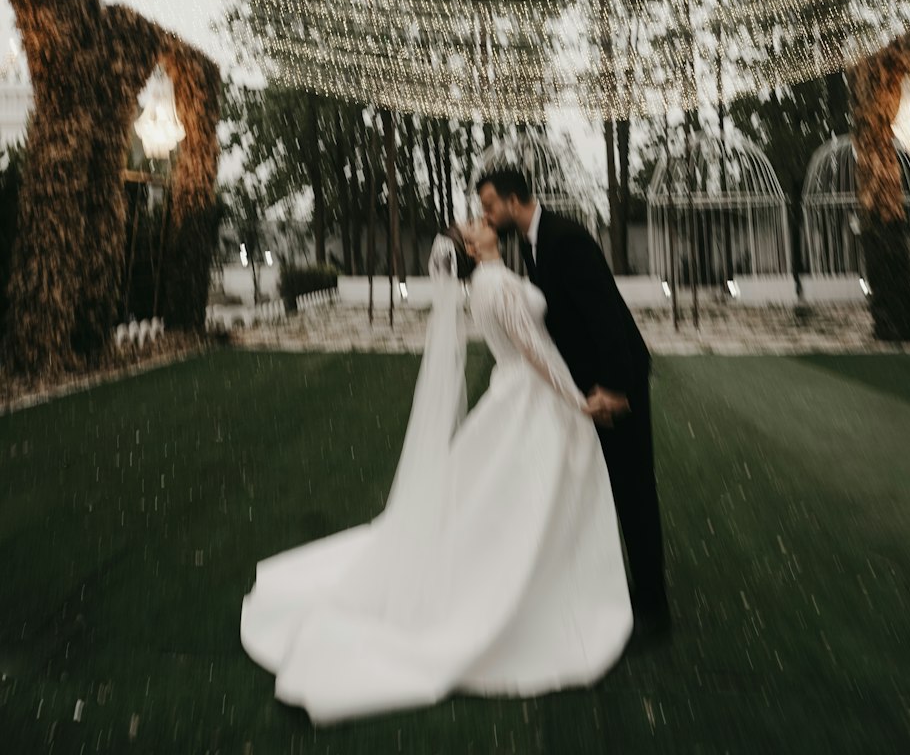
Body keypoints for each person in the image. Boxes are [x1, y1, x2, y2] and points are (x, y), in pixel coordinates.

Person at [239, 222, 633, 725]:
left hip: (518, 392)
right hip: (532, 396)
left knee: (508, 497)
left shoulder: (494, 278)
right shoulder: (493, 285)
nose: (482, 222)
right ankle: (532, 591)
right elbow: (532, 350)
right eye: (473, 225)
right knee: (525, 497)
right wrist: (577, 400)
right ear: (471, 247)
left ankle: (547, 575)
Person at [477, 166, 671, 646]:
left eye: (490, 205)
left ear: (515, 199)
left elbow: (606, 315)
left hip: (617, 382)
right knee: (604, 487)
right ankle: (621, 586)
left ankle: (653, 610)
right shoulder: (530, 243)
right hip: (587, 385)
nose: (486, 214)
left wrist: (616, 388)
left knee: (633, 490)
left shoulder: (566, 238)